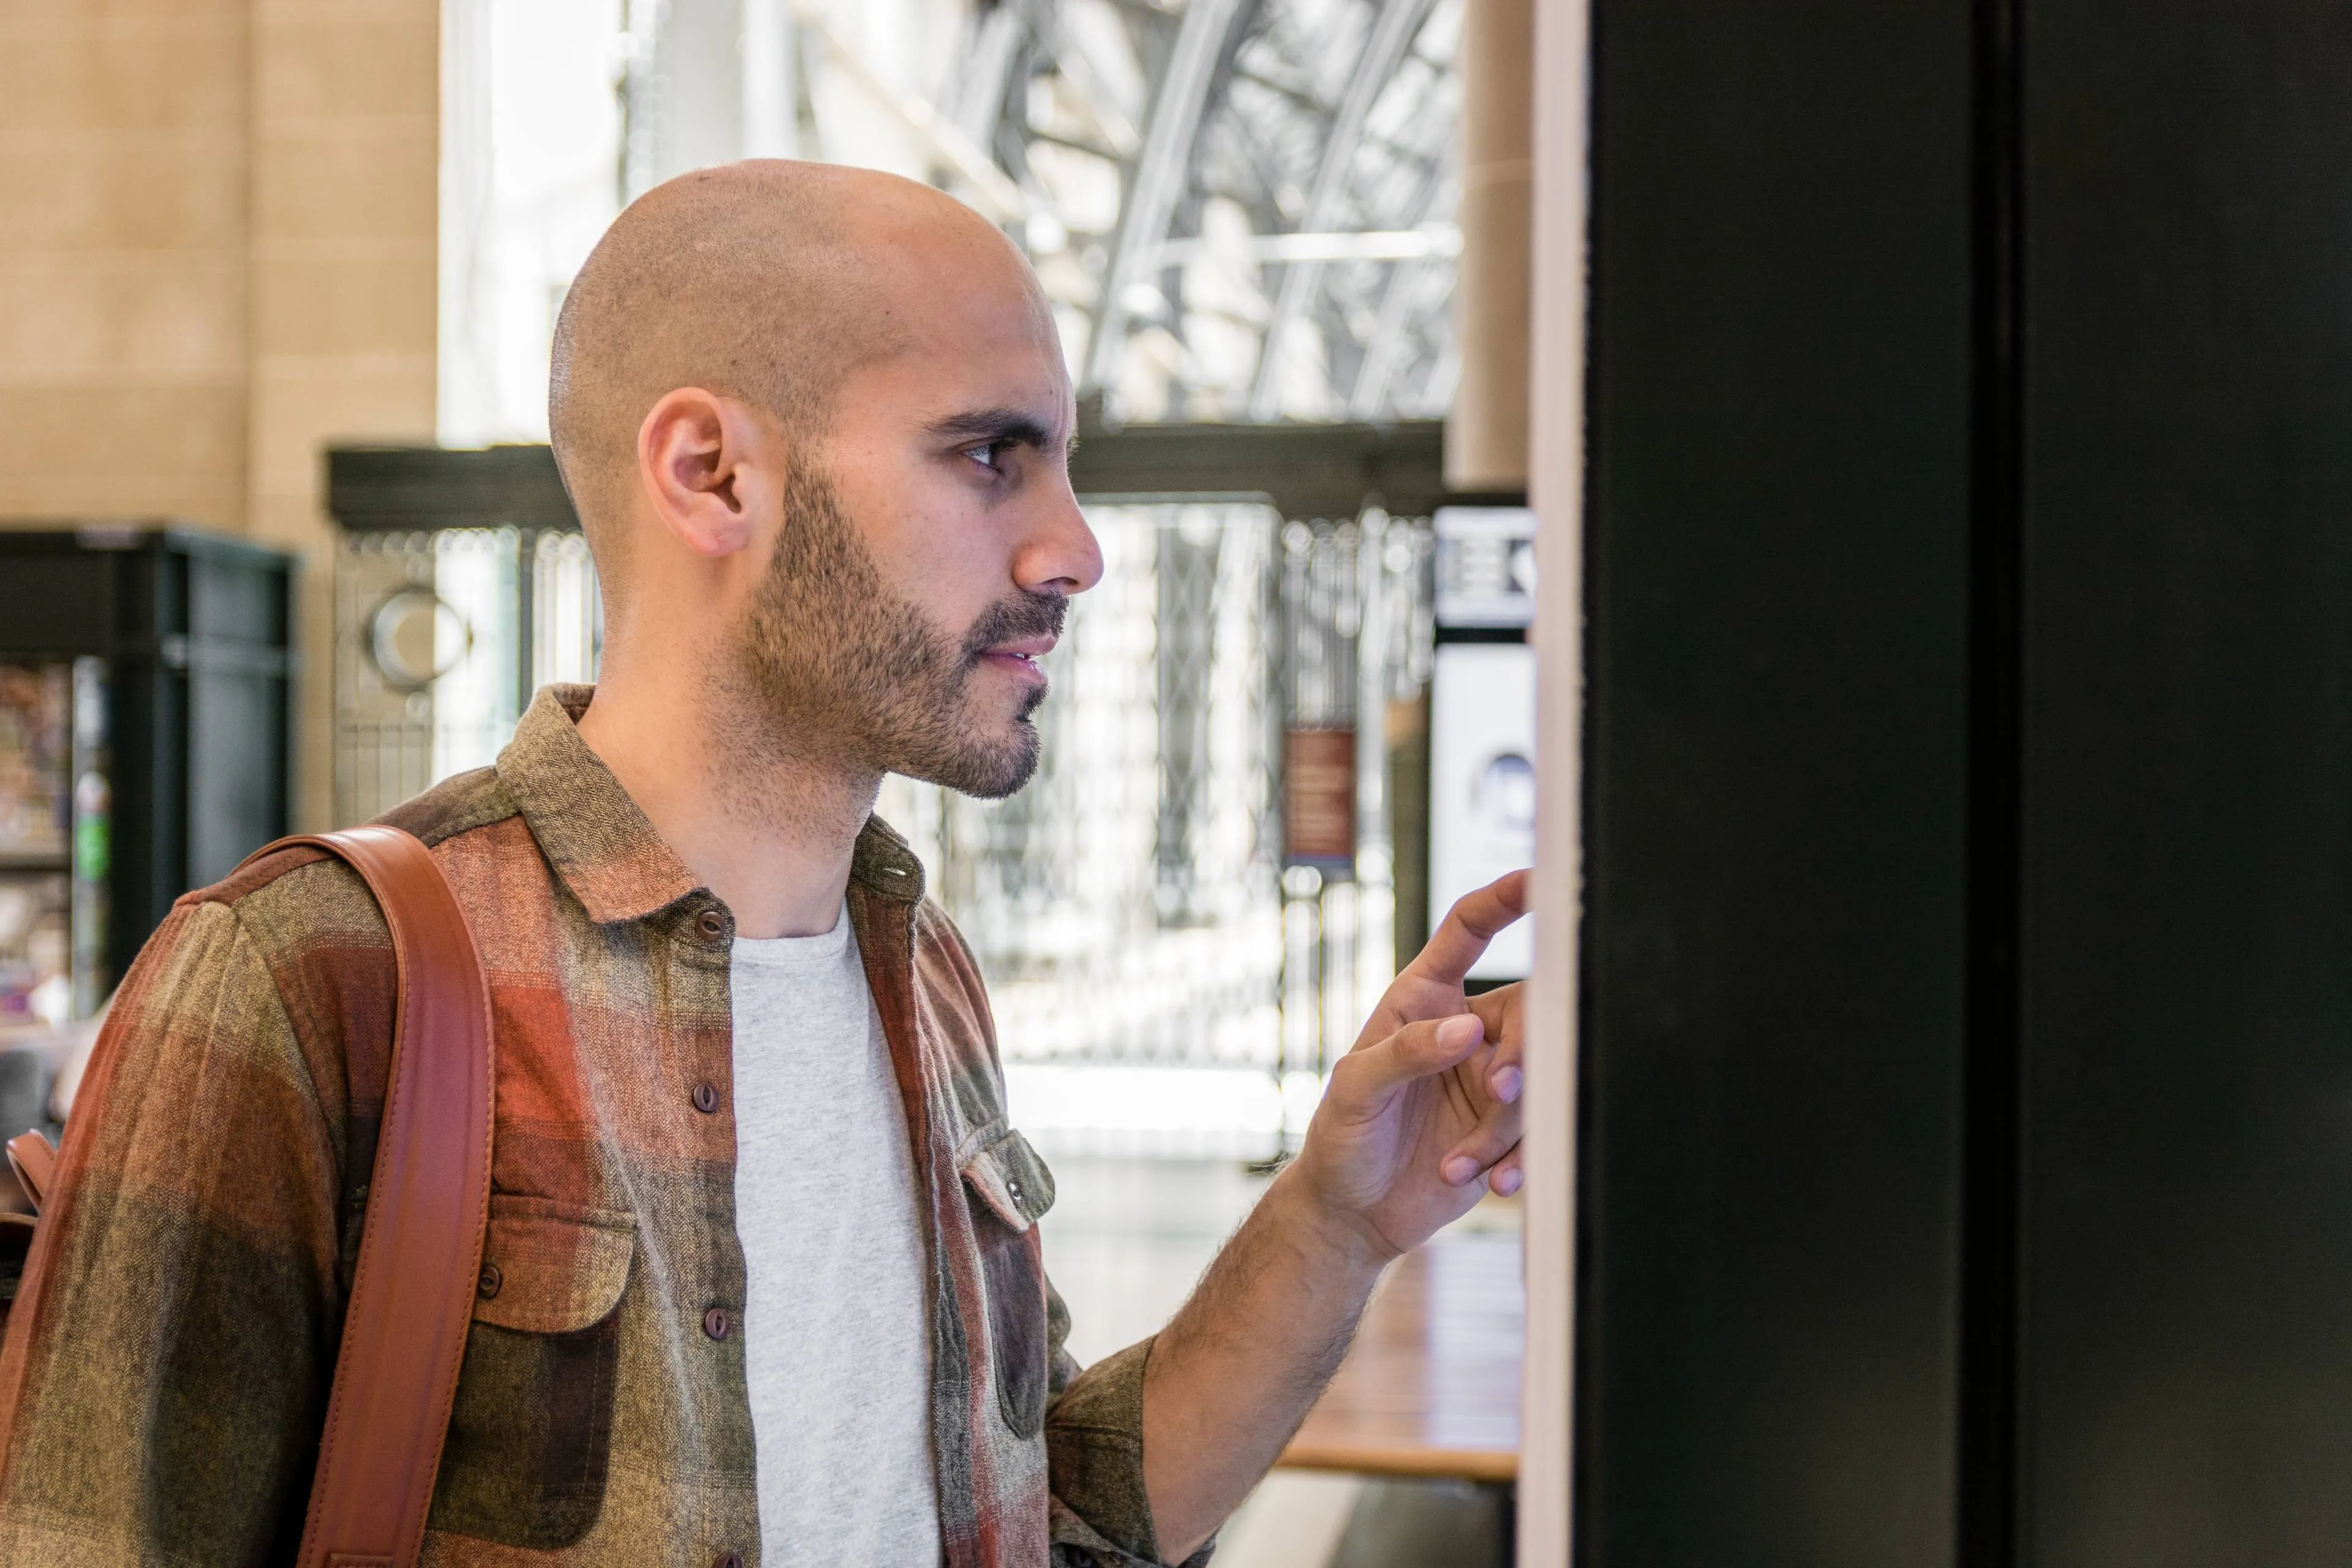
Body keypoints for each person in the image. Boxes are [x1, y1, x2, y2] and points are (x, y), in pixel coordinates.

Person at [0, 160, 1527, 1567]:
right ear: (713, 474)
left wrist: (1340, 1220)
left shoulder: (915, 968)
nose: (1076, 548)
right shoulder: (312, 976)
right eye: (993, 454)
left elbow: (1052, 1514)